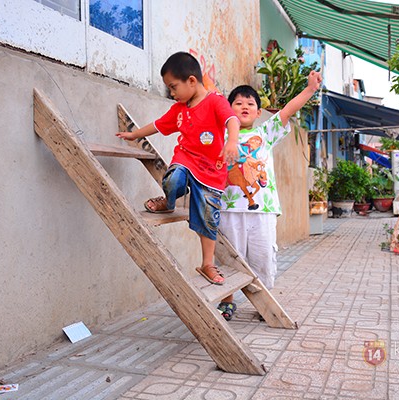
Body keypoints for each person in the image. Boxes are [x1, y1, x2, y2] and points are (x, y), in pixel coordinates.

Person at [116, 52, 240, 285]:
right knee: (173, 180)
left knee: (208, 219)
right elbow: (158, 125)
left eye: (173, 87)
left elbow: (231, 120)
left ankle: (207, 264)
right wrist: (134, 134)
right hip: (186, 159)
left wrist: (232, 141)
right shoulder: (179, 110)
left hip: (212, 171)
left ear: (191, 81)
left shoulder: (215, 101)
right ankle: (169, 202)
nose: (172, 94)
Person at [215, 70, 323, 320]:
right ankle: (227, 302)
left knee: (263, 257)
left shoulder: (264, 134)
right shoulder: (221, 137)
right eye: (238, 103)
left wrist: (309, 89)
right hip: (228, 209)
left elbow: (286, 111)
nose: (244, 107)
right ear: (229, 110)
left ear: (257, 112)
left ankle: (264, 304)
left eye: (250, 104)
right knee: (230, 259)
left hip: (262, 210)